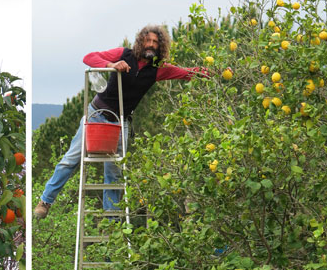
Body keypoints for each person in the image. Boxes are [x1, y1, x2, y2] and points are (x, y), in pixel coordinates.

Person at [34, 25, 207, 220]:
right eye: (148, 40)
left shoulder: (157, 70)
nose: (151, 45)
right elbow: (89, 57)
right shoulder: (123, 54)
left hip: (121, 121)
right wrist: (112, 65)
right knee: (70, 160)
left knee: (114, 173)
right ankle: (46, 201)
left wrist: (212, 72)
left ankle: (111, 221)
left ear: (160, 47)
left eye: (155, 42)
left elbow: (185, 72)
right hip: (97, 115)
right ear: (141, 41)